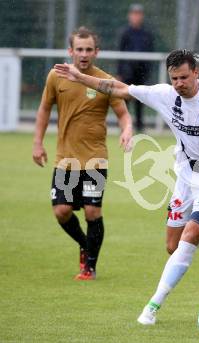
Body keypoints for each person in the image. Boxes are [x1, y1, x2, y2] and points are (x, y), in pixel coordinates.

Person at [53, 49, 199, 325]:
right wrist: (80, 77)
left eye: (184, 77)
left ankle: (152, 307)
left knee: (189, 236)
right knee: (173, 245)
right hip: (185, 179)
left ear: (196, 72)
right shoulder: (165, 95)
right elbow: (118, 89)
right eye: (174, 79)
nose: (179, 83)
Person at [32, 27, 133, 281]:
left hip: (95, 160)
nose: (84, 54)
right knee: (61, 211)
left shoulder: (103, 81)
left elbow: (123, 113)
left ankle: (89, 266)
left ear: (96, 52)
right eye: (79, 49)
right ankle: (85, 244)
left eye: (89, 49)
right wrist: (37, 143)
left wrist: (127, 130)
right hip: (65, 160)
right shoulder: (56, 77)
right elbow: (44, 109)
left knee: (92, 212)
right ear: (71, 51)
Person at [117, 3, 154, 132]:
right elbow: (120, 53)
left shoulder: (147, 34)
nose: (136, 17)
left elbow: (150, 53)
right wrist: (120, 72)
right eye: (134, 14)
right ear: (130, 16)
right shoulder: (125, 33)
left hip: (141, 72)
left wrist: (148, 73)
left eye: (138, 14)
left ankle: (139, 127)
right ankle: (124, 126)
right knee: (125, 99)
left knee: (140, 100)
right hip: (127, 72)